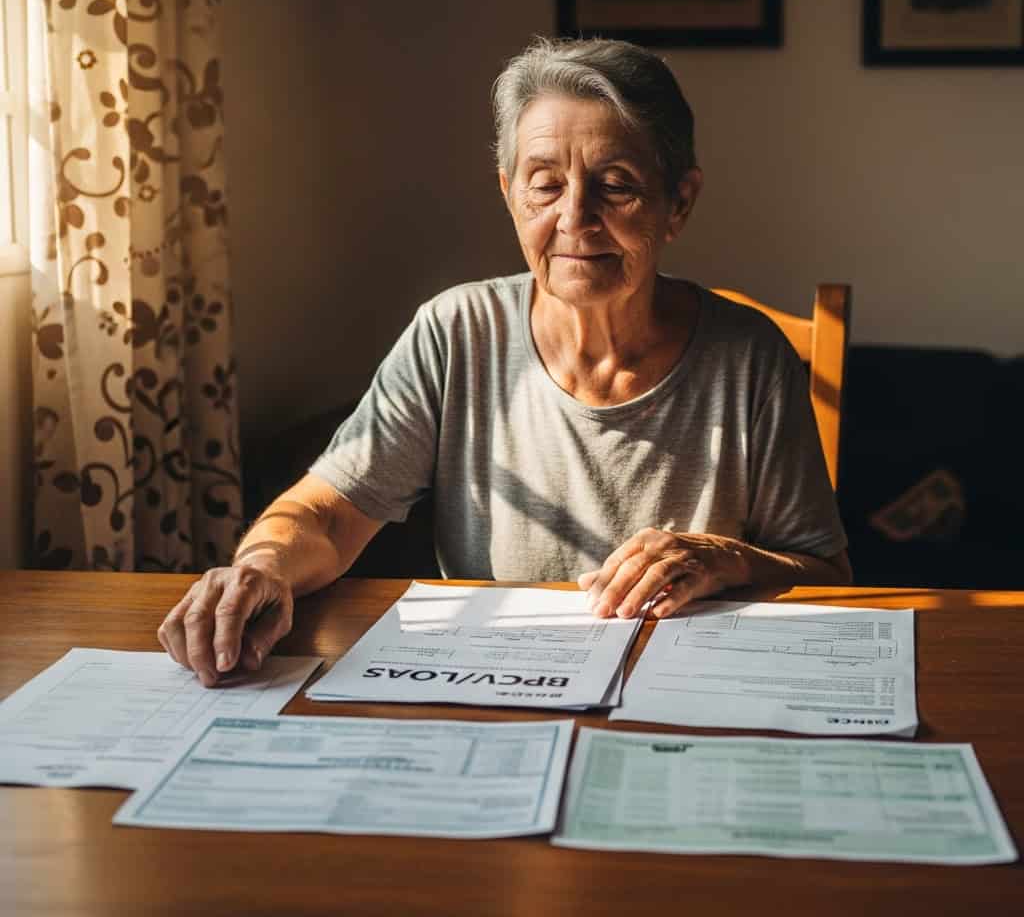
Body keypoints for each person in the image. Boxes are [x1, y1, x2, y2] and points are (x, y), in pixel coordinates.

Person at [158, 37, 851, 688]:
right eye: (545, 185)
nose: (575, 218)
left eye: (615, 185)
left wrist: (727, 559)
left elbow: (827, 575)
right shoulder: (455, 333)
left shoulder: (750, 358)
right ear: (509, 194)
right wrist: (259, 568)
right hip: (497, 685)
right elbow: (329, 516)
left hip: (685, 689)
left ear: (679, 203)